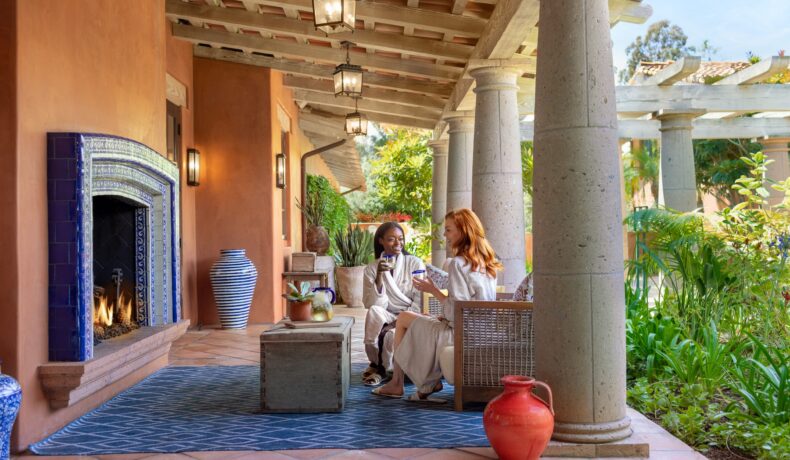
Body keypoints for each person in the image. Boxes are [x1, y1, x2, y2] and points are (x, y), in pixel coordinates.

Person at [372, 208, 501, 400]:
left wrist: (432, 290)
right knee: (412, 318)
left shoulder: (458, 263)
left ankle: (401, 383)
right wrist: (442, 316)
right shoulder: (486, 261)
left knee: (404, 319)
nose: (445, 235)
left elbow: (456, 311)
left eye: (448, 229)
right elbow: (467, 306)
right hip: (482, 330)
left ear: (462, 230)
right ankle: (422, 383)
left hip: (462, 334)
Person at [361, 222, 426, 385]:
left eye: (401, 239)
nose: (398, 243)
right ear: (381, 241)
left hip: (411, 313)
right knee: (374, 312)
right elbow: (371, 303)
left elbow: (421, 298)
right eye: (391, 239)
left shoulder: (414, 263)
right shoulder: (371, 268)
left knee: (390, 335)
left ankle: (380, 370)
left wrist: (401, 319)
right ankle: (376, 362)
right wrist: (380, 276)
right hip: (387, 312)